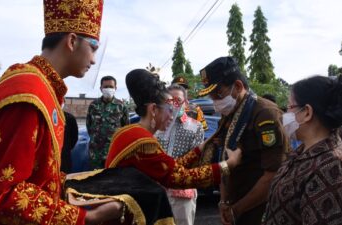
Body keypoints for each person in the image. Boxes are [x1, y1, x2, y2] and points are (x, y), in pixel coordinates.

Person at [0, 1, 124, 224]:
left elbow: (37, 174)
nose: (94, 59)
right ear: (71, 41)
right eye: (93, 48)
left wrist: (79, 185)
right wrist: (87, 217)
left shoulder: (41, 86)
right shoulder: (29, 93)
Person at [105, 68, 242, 189]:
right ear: (153, 109)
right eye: (169, 109)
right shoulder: (143, 142)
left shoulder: (127, 132)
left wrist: (200, 148)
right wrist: (228, 164)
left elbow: (169, 166)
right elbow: (181, 176)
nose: (172, 115)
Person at [197, 56, 288, 225]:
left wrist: (237, 209)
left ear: (238, 86)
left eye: (218, 94)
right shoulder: (229, 115)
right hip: (234, 207)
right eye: (211, 96)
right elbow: (225, 158)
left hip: (259, 210)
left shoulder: (265, 114)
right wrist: (224, 202)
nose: (215, 101)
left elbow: (273, 174)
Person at [264, 75, 342, 225]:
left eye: (289, 107)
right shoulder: (304, 151)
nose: (284, 115)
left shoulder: (334, 170)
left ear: (307, 112)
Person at [155, 84, 204, 225]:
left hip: (182, 191)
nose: (175, 104)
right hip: (158, 190)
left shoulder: (196, 127)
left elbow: (196, 159)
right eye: (171, 100)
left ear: (186, 102)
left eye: (178, 100)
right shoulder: (158, 125)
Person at [87, 75, 129, 169]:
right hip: (96, 153)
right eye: (105, 87)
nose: (108, 89)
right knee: (95, 179)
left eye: (111, 87)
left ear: (115, 88)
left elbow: (125, 128)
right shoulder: (93, 105)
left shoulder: (121, 106)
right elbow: (89, 126)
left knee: (112, 180)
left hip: (114, 152)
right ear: (101, 88)